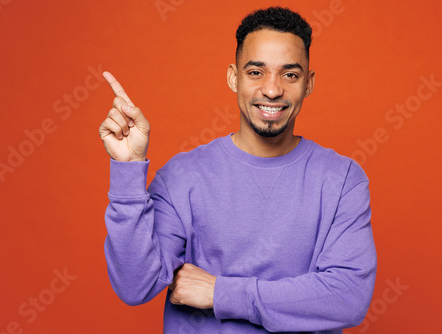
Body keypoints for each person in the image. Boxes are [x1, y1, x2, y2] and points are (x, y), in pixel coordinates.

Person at [99, 6, 376, 334]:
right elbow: (134, 285)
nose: (272, 90)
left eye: (290, 74)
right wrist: (128, 170)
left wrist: (220, 292)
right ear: (233, 77)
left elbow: (348, 297)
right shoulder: (183, 177)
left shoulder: (342, 180)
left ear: (309, 83)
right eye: (256, 72)